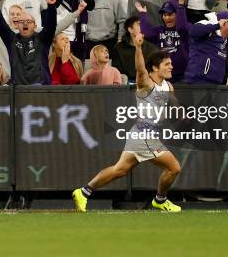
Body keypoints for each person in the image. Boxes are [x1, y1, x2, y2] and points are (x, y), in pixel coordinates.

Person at [72, 47, 182, 213]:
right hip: (145, 135)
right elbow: (140, 69)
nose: (171, 66)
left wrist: (182, 114)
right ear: (155, 68)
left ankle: (83, 192)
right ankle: (160, 200)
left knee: (120, 170)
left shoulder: (168, 86)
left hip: (140, 134)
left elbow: (173, 103)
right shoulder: (146, 83)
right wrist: (138, 48)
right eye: (167, 64)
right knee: (174, 168)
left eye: (171, 63)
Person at [0, 0, 58, 85]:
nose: (25, 23)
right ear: (17, 26)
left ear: (35, 25)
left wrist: (51, 6)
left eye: (29, 21)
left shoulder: (43, 39)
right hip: (18, 90)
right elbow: (1, 25)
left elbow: (51, 25)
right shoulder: (12, 40)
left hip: (41, 89)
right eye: (21, 21)